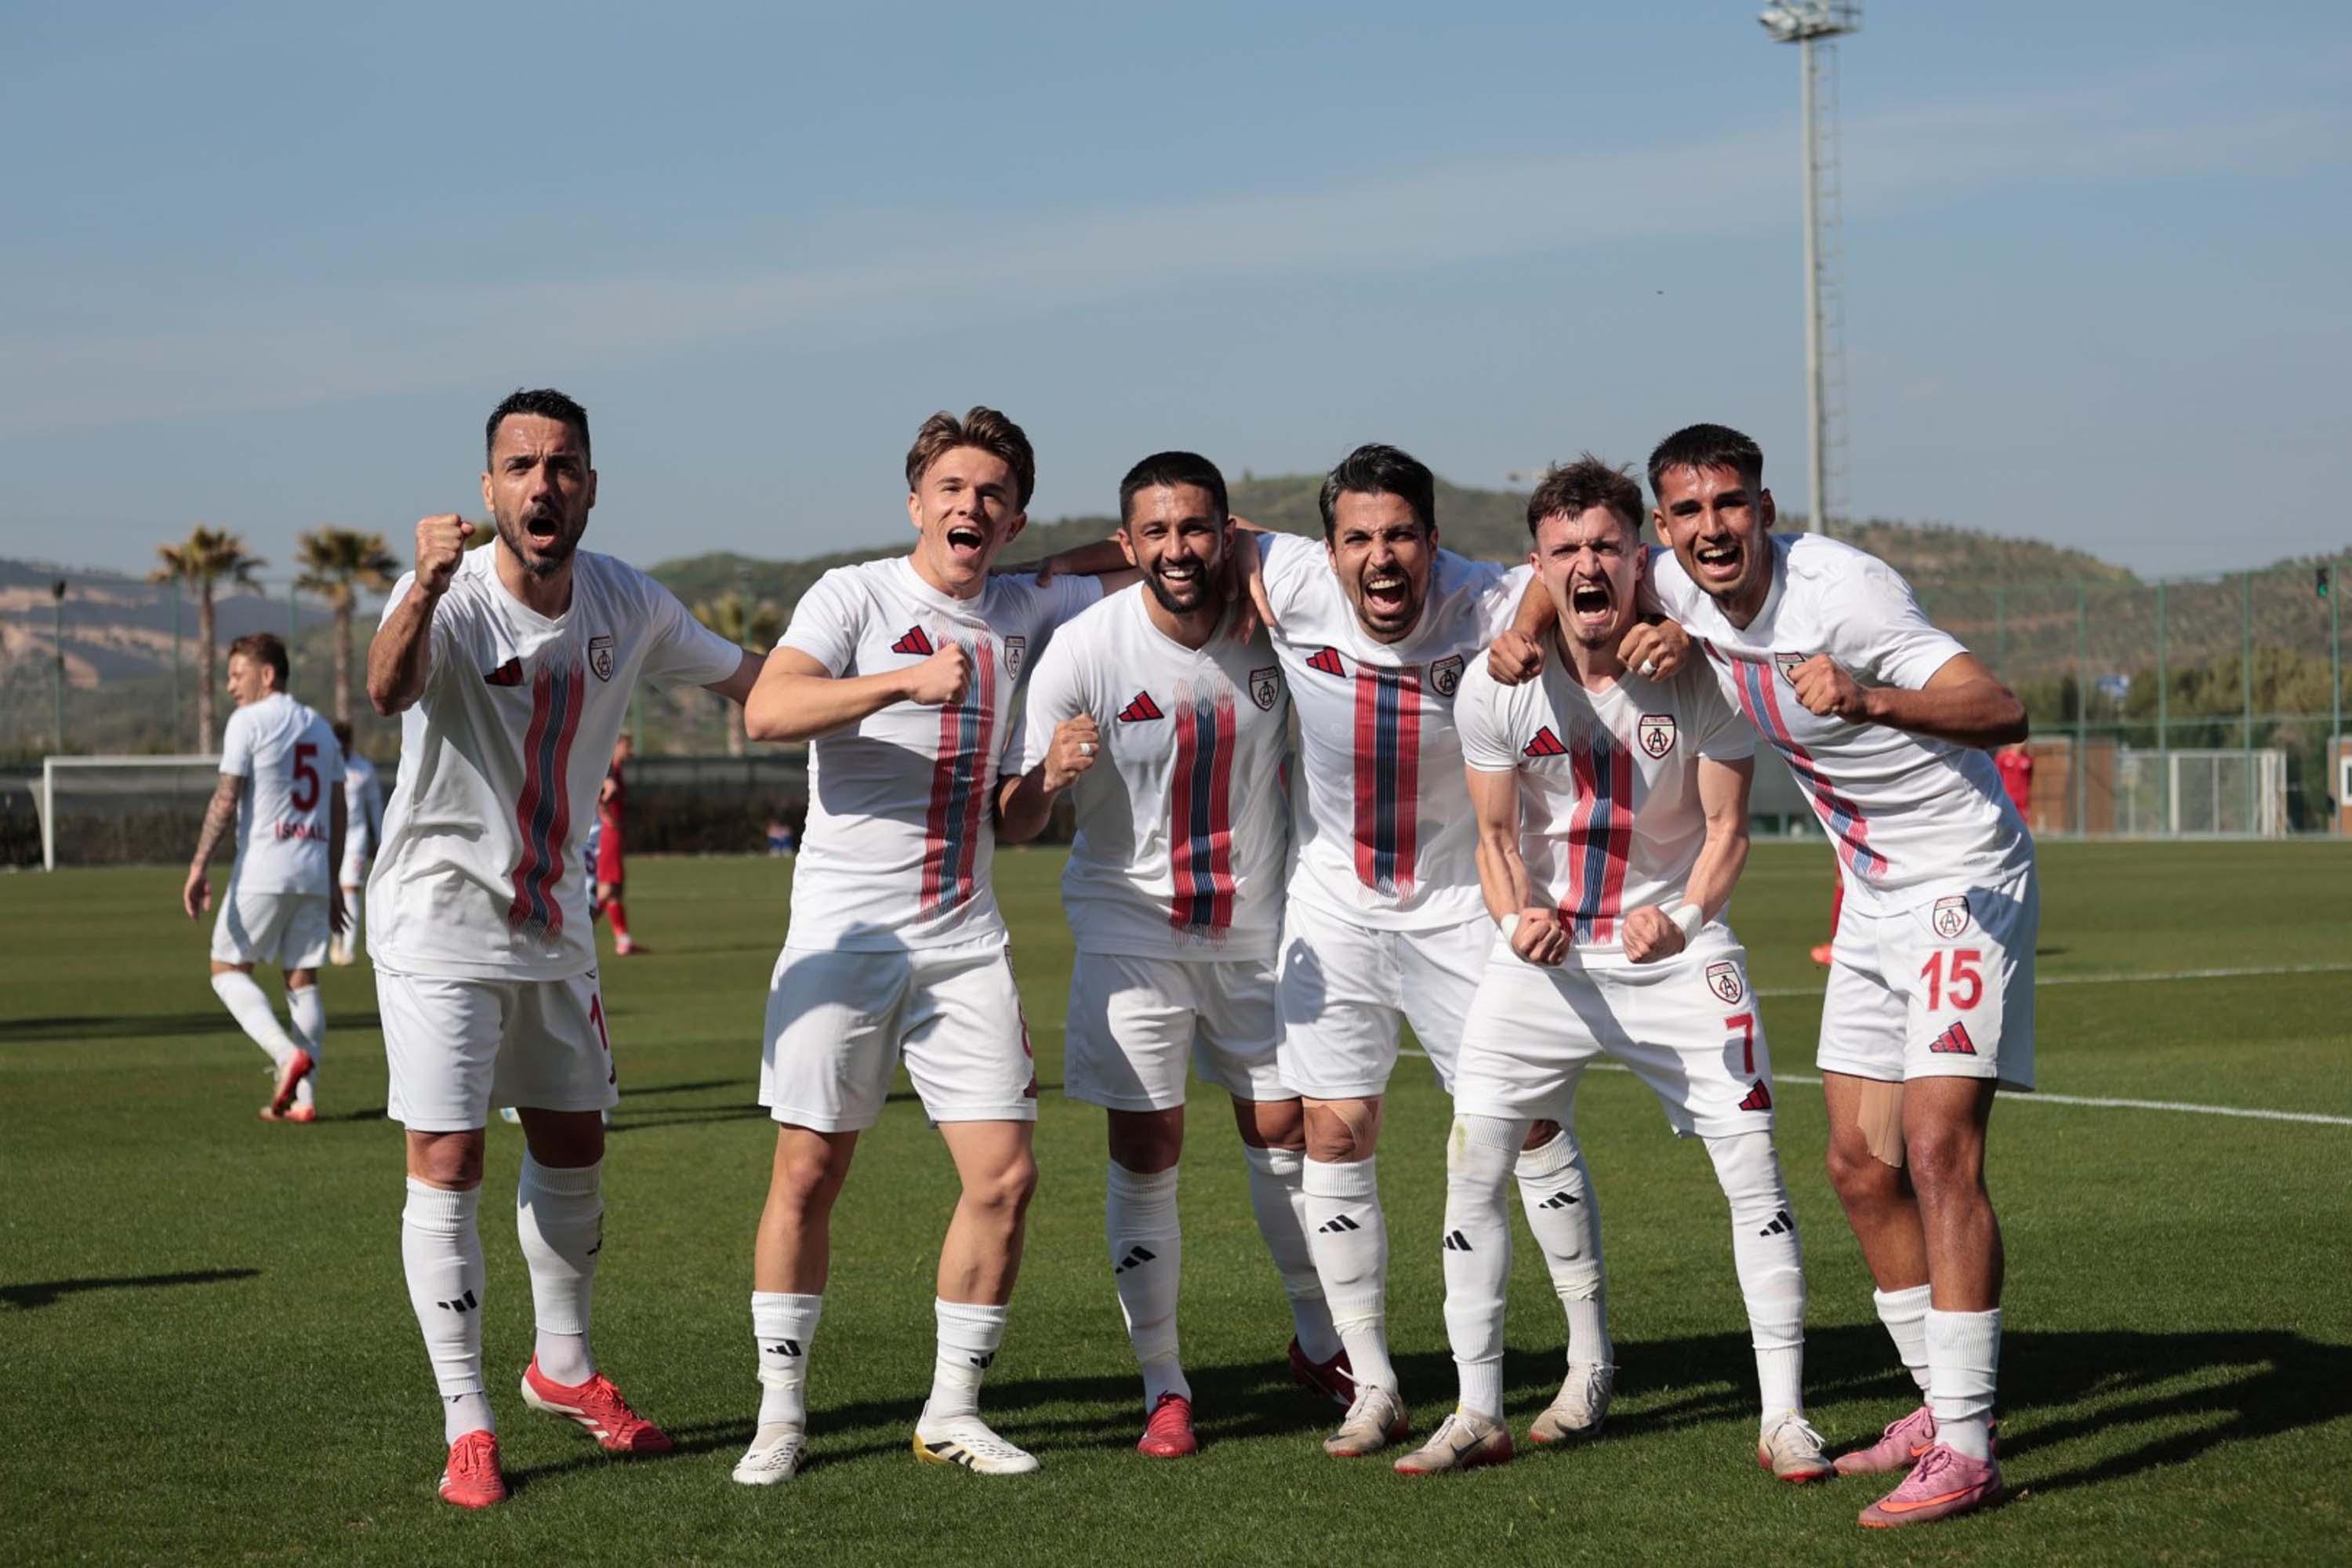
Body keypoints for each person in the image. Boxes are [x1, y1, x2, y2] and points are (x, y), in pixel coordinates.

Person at [365, 387, 765, 1508]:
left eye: (564, 465)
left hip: (554, 926)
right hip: (439, 924)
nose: (543, 483)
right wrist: (423, 586)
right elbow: (387, 688)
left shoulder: (627, 600)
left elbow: (750, 676)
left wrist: (892, 684)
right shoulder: (446, 594)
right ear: (489, 489)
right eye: (521, 465)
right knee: (449, 1161)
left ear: (590, 486)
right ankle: (469, 1421)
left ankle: (563, 1367)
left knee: (575, 1144)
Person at [1237, 445, 1675, 1457]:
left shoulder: (1488, 603)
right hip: (1336, 904)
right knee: (1333, 1133)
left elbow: (1589, 576)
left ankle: (1589, 1358)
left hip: (1466, 905)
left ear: (1435, 542)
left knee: (1527, 1127)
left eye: (1402, 535)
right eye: (1359, 538)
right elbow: (1196, 537)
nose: (1381, 557)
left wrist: (1542, 625)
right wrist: (1047, 570)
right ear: (1328, 550)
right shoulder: (1290, 580)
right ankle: (1373, 1382)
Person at [1396, 457, 1828, 1482]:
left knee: (1753, 1166)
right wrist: (1517, 920)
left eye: (1604, 546)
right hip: (1546, 964)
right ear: (1537, 566)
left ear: (1639, 557)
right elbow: (1494, 840)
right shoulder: (1497, 685)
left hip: (1679, 956)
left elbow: (1728, 831)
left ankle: (1785, 1416)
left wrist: (1682, 919)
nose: (1586, 565)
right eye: (1565, 550)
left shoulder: (1703, 671)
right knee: (1474, 1163)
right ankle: (1477, 1409)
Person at [1639, 423, 2034, 1528]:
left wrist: (1870, 697)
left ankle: (1968, 1448)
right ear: (1664, 525)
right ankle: (1938, 1404)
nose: (1713, 528)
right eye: (1688, 511)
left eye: (1731, 504)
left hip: (1962, 878)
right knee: (1860, 1166)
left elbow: (2003, 710)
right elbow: (1547, 572)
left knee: (1938, 1148)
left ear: (1765, 509)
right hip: (1869, 894)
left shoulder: (1847, 596)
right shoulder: (1671, 581)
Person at [734, 407, 1133, 1486]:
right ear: (915, 501)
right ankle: (780, 1414)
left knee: (1005, 1177)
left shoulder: (1022, 607)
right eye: (951, 487)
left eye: (992, 492)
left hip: (963, 936)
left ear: (1014, 519)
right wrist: (899, 683)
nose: (969, 504)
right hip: (845, 936)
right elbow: (768, 710)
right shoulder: (854, 595)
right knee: (809, 1170)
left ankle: (951, 1411)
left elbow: (1153, 553)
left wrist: (1046, 776)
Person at [997, 451, 1335, 1461]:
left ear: (1227, 533)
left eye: (1195, 528)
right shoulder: (1085, 649)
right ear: (1129, 543)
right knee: (1148, 1148)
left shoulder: (1272, 621)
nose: (1177, 549)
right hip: (1131, 930)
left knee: (1286, 1133)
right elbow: (1014, 820)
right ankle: (1164, 1384)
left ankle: (1322, 1344)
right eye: (1156, 531)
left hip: (1259, 928)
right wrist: (1047, 778)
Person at [181, 632, 343, 1123]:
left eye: (237, 674)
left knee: (227, 969)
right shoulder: (321, 728)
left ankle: (284, 1055)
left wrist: (199, 865)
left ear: (267, 675)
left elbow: (226, 797)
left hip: (264, 868)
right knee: (302, 979)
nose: (230, 685)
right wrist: (333, 881)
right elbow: (338, 809)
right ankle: (305, 1099)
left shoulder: (248, 721)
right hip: (312, 868)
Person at [328, 720, 383, 966]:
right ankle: (336, 940)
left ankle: (347, 950)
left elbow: (375, 806)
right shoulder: (326, 765)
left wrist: (381, 838)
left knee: (350, 889)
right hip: (331, 837)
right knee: (332, 888)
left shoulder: (364, 770)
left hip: (355, 839)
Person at [595, 733, 636, 953]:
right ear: (616, 745)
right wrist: (608, 817)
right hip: (609, 834)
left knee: (616, 889)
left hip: (615, 832)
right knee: (607, 887)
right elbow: (598, 796)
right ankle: (576, 930)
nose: (630, 752)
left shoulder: (616, 770)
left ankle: (624, 941)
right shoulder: (606, 769)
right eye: (627, 747)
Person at [1996, 741, 2034, 828]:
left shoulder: (2028, 759)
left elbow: (2030, 778)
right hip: (2007, 795)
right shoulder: (2003, 758)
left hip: (2022, 798)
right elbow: (1997, 776)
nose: (2022, 744)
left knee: (2022, 823)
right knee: (2006, 822)